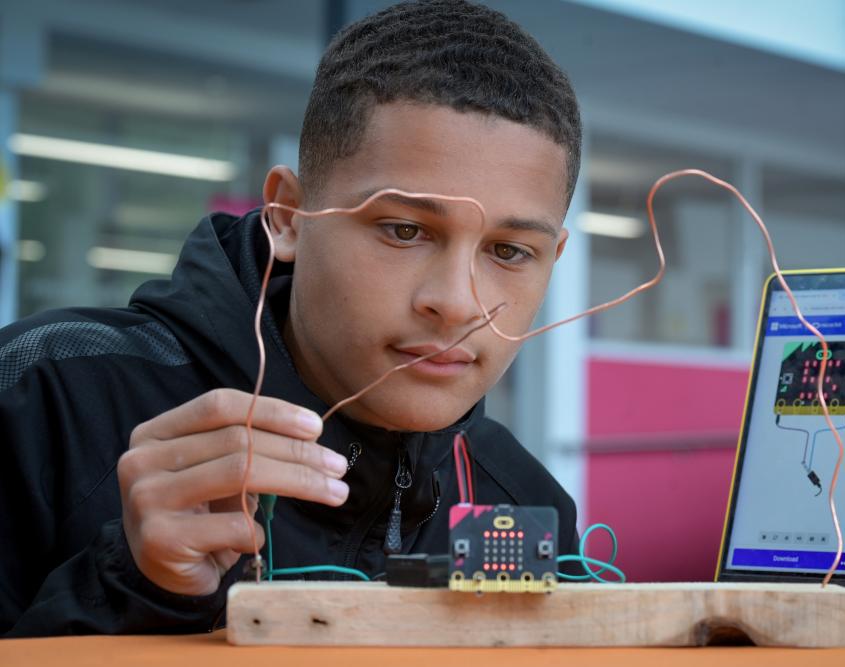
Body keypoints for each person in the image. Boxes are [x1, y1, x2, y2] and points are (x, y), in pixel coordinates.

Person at [0, 0, 585, 637]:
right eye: (405, 229)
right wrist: (131, 584)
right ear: (287, 217)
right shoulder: (46, 395)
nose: (459, 302)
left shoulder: (526, 502)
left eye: (508, 251)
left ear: (551, 259)